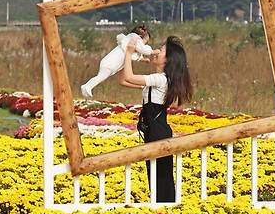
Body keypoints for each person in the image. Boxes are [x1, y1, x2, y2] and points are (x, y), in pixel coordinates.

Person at [121, 35, 193, 202]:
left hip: (157, 132)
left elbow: (130, 77)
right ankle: (163, 207)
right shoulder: (157, 80)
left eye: (161, 50)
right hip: (154, 130)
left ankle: (166, 208)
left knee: (161, 176)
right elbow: (123, 80)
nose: (157, 52)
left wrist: (128, 53)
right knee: (156, 175)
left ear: (167, 60)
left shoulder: (160, 79)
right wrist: (128, 58)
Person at [80, 25, 159, 98]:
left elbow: (133, 54)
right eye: (145, 41)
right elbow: (142, 49)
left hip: (110, 64)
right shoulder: (135, 38)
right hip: (109, 63)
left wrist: (143, 59)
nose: (144, 44)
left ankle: (88, 86)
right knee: (101, 77)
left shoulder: (128, 43)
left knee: (101, 76)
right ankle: (87, 86)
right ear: (140, 37)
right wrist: (152, 51)